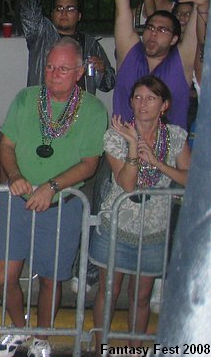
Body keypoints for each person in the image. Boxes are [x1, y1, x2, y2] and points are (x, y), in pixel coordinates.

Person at [0, 38, 106, 357]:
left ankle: (42, 335)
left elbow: (89, 164)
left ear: (79, 72)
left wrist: (51, 186)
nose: (54, 73)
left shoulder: (94, 109)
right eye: (50, 66)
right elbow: (7, 144)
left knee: (51, 279)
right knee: (4, 275)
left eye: (64, 68)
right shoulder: (27, 99)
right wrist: (15, 175)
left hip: (63, 204)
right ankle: (19, 328)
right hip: (17, 197)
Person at [90, 76, 190, 355]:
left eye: (150, 98)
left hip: (154, 230)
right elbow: (128, 184)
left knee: (141, 296)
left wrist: (158, 163)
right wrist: (133, 145)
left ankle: (134, 350)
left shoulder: (176, 137)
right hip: (117, 224)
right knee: (108, 292)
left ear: (164, 105)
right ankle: (101, 348)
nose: (142, 103)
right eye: (137, 97)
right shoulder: (115, 135)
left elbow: (191, 177)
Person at [108, 0, 205, 128]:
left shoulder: (181, 60)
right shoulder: (129, 53)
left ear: (174, 39)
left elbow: (196, 26)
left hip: (169, 153)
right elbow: (122, 9)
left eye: (162, 30)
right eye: (150, 28)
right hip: (123, 148)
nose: (153, 33)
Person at [20, 0, 116, 94]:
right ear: (52, 14)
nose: (64, 12)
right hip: (45, 108)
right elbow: (29, 4)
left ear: (79, 16)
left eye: (70, 8)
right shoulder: (41, 35)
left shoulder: (91, 45)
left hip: (81, 111)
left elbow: (108, 84)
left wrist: (102, 69)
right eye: (59, 8)